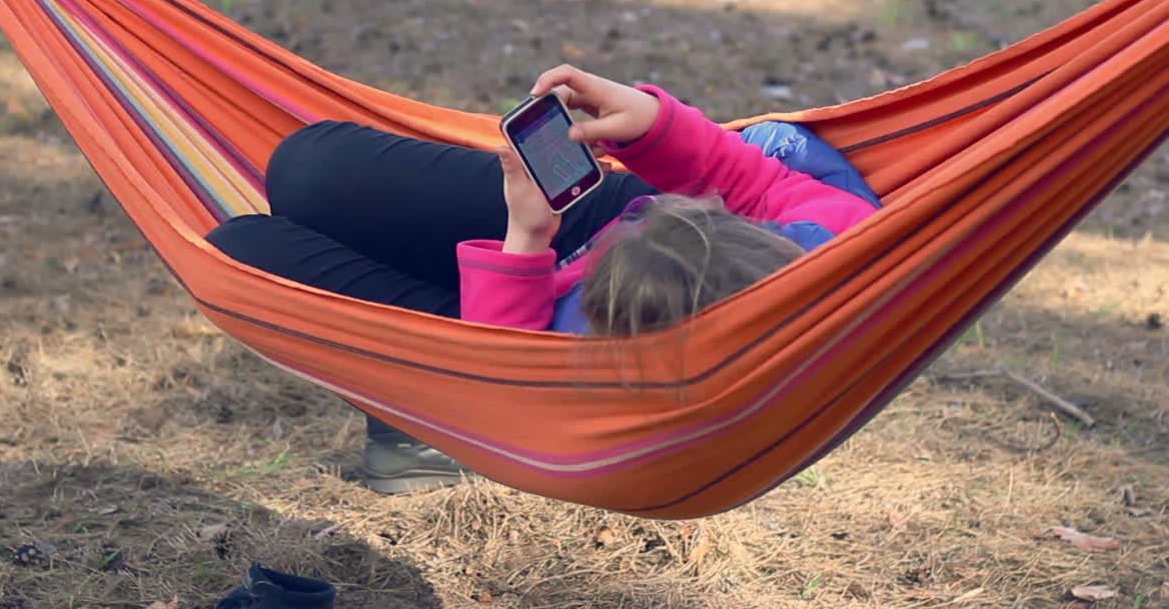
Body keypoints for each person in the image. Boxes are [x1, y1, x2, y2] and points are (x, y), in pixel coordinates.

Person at [206, 65, 880, 494]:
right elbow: (748, 179)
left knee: (239, 252)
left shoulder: (591, 355)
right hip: (635, 260)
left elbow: (504, 373)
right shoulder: (833, 244)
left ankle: (413, 426)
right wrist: (652, 125)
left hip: (527, 325)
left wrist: (526, 238)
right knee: (304, 166)